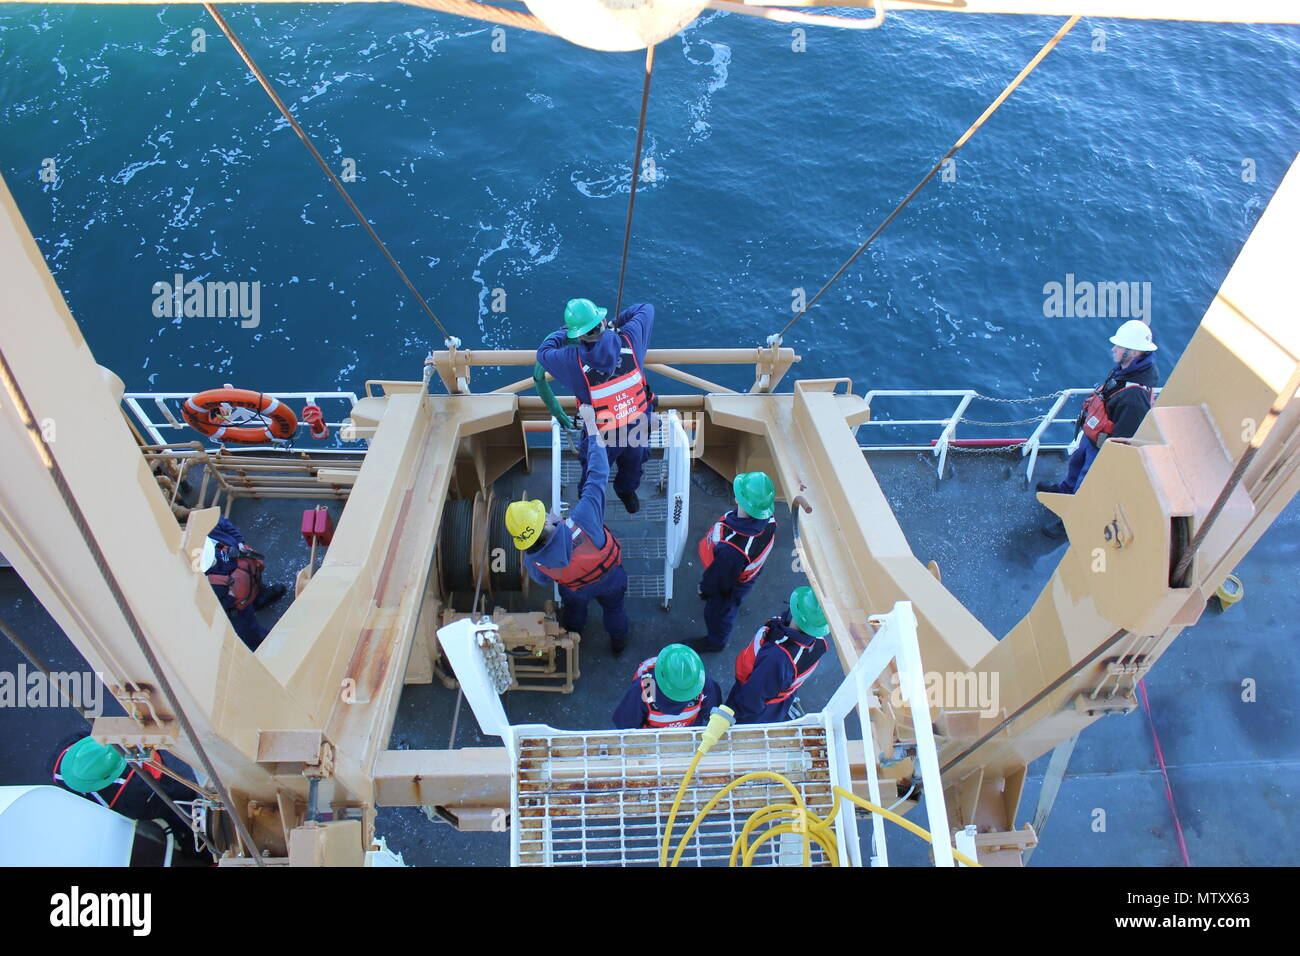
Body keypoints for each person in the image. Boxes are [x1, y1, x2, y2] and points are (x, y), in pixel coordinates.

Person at [508, 405, 631, 653]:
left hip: (575, 590)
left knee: (574, 610)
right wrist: (591, 425)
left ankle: (575, 632)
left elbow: (542, 579)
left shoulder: (534, 560)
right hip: (611, 579)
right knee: (614, 609)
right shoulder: (584, 517)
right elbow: (598, 473)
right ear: (544, 522)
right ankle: (619, 642)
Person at [1037, 320, 1159, 539]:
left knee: (1087, 485)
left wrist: (1107, 462)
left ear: (1133, 352)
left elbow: (1123, 440)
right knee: (1075, 465)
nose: (1114, 349)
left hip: (1102, 448)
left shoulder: (1134, 397)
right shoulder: (1126, 370)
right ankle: (1065, 491)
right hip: (1092, 438)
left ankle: (1072, 521)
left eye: (1119, 346)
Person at [536, 297, 656, 514]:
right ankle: (626, 492)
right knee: (634, 464)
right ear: (601, 321)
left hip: (601, 434)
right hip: (637, 425)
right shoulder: (631, 338)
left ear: (579, 335)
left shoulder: (572, 360)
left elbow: (544, 352)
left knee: (594, 471)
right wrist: (613, 323)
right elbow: (644, 308)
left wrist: (566, 333)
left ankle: (589, 504)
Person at [689, 472, 777, 654]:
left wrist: (704, 589)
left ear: (739, 500)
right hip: (748, 569)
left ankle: (716, 642)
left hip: (731, 582)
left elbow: (719, 578)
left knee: (719, 612)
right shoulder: (769, 520)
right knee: (733, 599)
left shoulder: (733, 549)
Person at [726, 586, 831, 724]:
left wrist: (730, 713)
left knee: (742, 721)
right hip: (776, 695)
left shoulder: (776, 658)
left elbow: (752, 699)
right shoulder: (818, 641)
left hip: (754, 704)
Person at [200, 516, 287, 651]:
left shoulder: (210, 528)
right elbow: (217, 601)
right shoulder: (204, 573)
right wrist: (229, 597)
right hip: (236, 604)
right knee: (248, 629)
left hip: (247, 579)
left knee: (252, 586)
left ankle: (259, 599)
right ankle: (262, 646)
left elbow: (221, 521)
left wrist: (239, 541)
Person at [612, 643, 723, 729]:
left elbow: (626, 725)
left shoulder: (645, 688)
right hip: (688, 736)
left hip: (653, 741)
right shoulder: (701, 683)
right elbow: (714, 715)